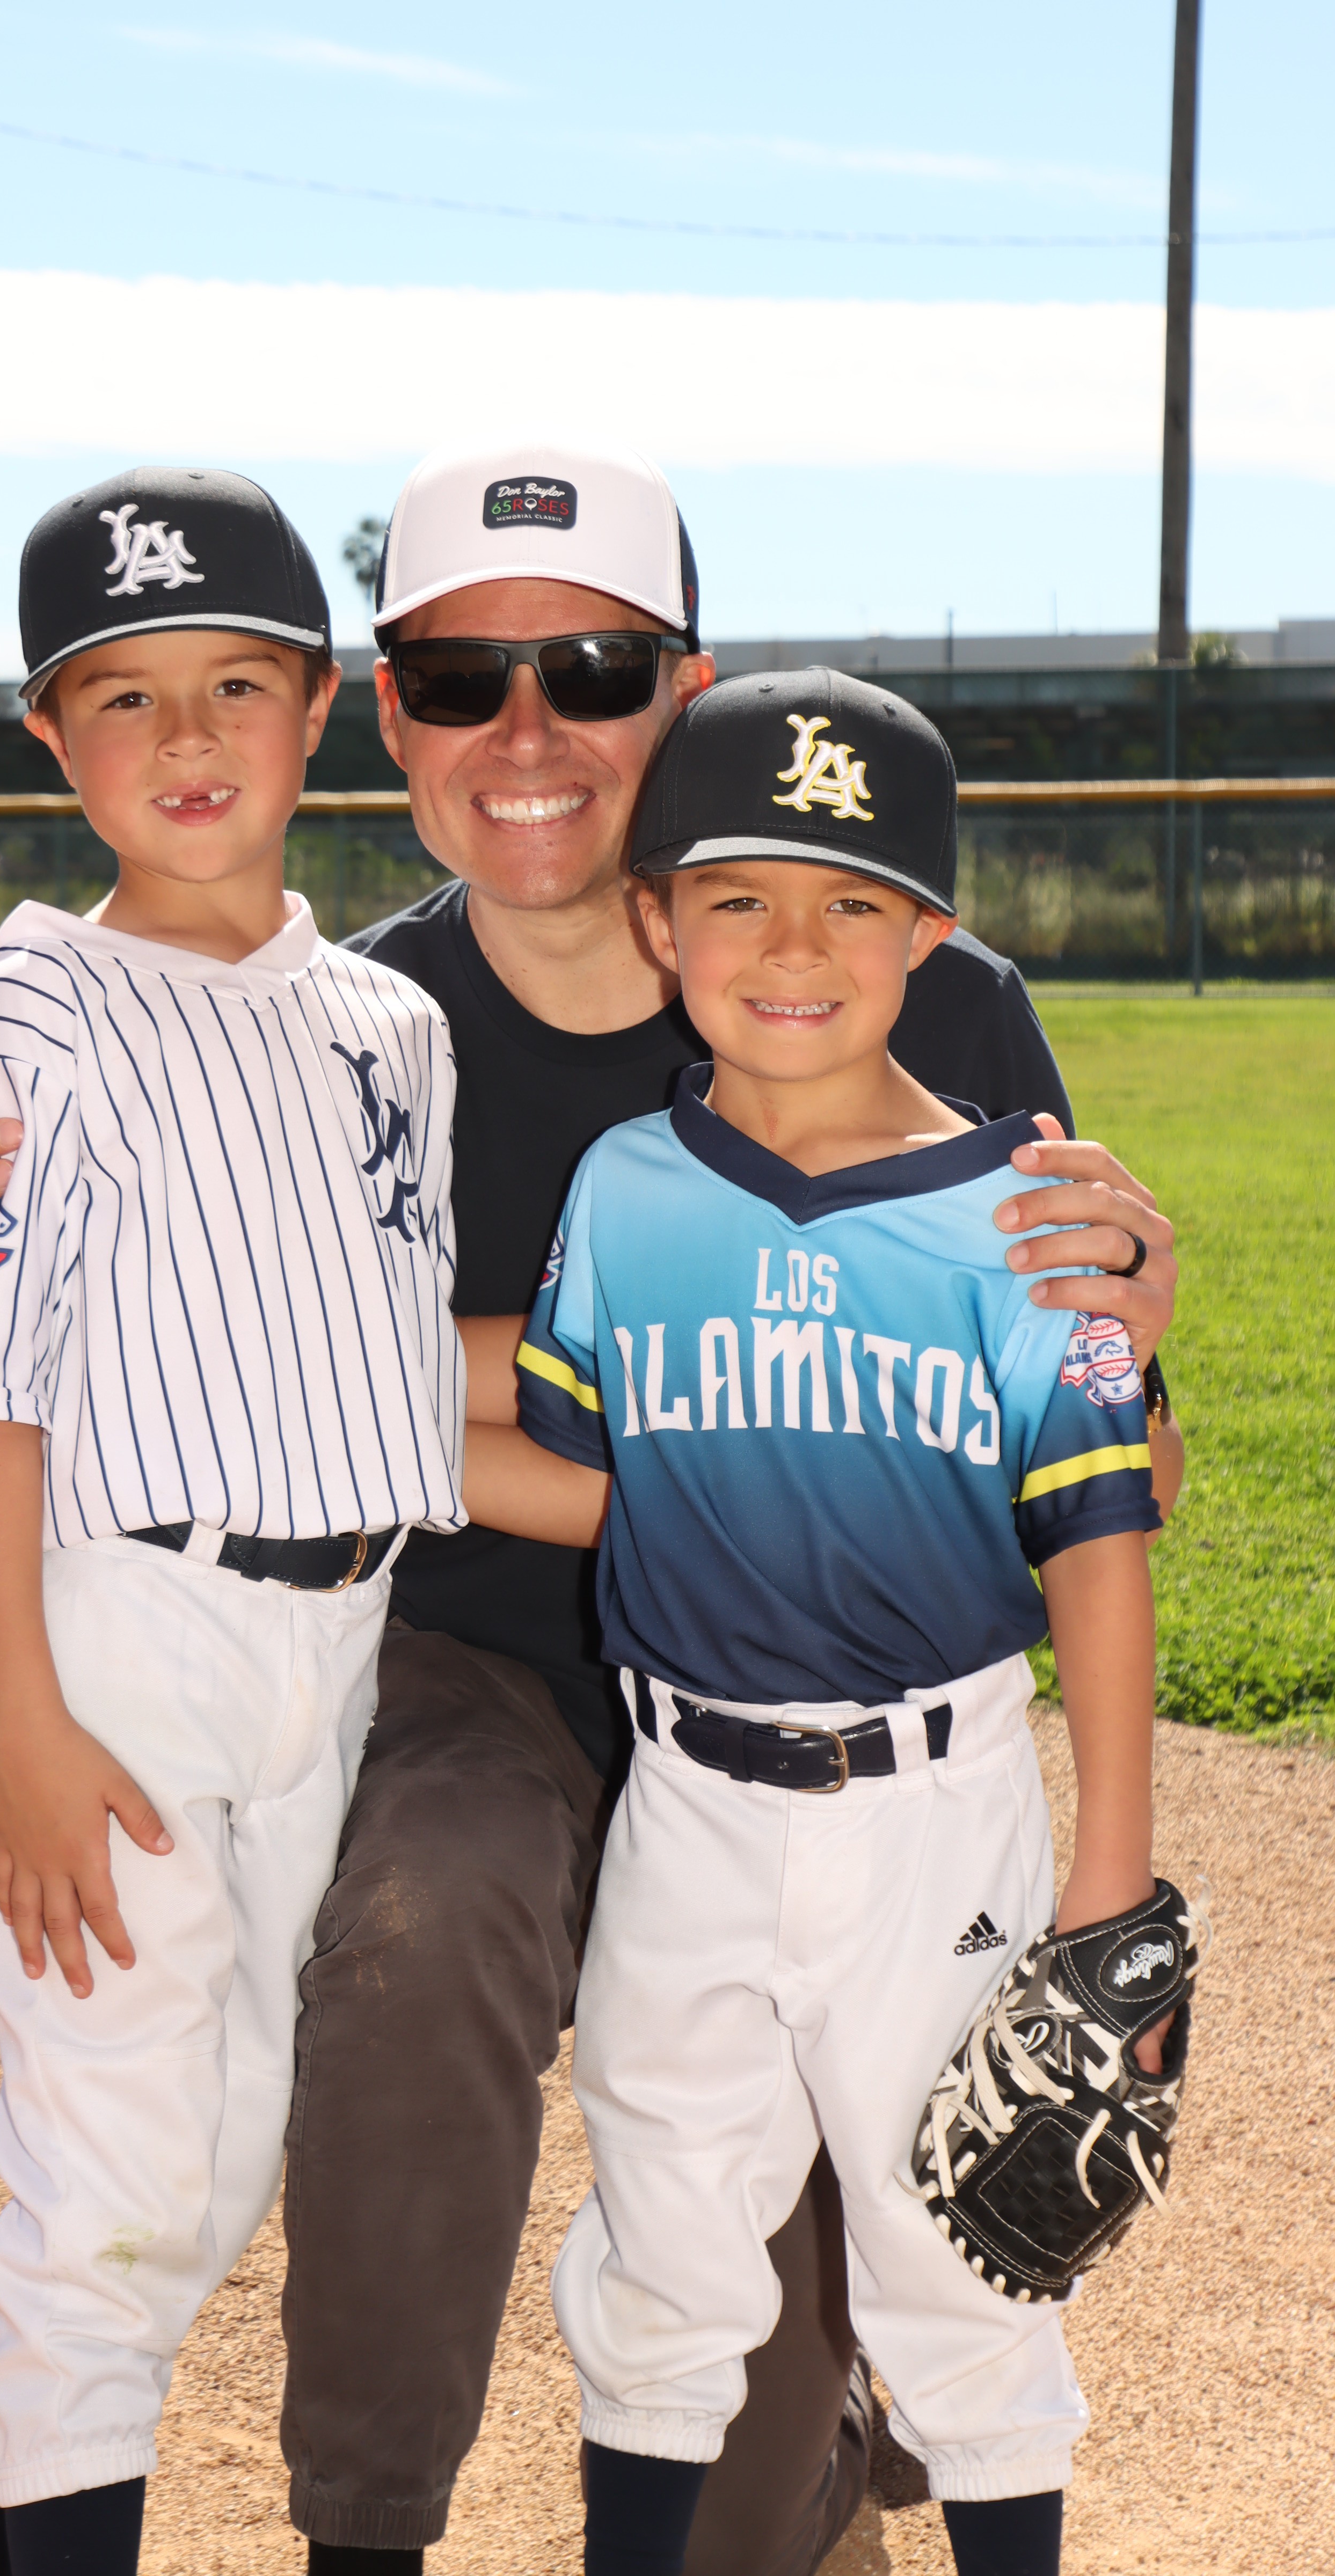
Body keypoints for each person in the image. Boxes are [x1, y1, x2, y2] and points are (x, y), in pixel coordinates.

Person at [0, 442, 1183, 2576]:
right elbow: (231, 1340)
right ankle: (361, 2532)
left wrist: (1128, 1313)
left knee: (746, 2462)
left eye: (589, 671)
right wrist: (15, 1223)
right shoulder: (357, 1025)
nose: (526, 735)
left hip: (810, 1710)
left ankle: (832, 2425)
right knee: (408, 1937)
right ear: (384, 714)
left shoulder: (911, 990)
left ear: (684, 692)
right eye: (457, 678)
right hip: (470, 1659)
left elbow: (1091, 1457)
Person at [467, 665, 1169, 2576]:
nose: (794, 948)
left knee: (968, 2259)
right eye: (739, 897)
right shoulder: (628, 1187)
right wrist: (340, 1441)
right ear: (656, 923)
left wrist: (1111, 1872)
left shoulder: (1028, 1215)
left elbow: (1101, 1543)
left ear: (931, 935)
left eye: (854, 901)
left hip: (934, 1809)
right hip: (688, 1801)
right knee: (663, 2243)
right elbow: (606, 1478)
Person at [0, 469, 465, 2576]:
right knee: (117, 2196)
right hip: (125, 1645)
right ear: (51, 740)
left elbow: (390, 1371)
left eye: (233, 683)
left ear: (318, 707)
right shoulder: (45, 1002)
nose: (184, 737)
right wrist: (26, 1732)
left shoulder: (395, 1031)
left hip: (330, 1656)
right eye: (120, 696)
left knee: (210, 2171)